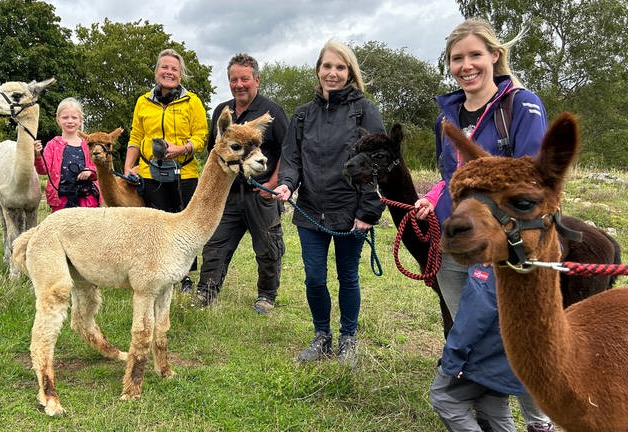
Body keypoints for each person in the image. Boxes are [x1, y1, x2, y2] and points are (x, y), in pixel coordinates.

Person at [413, 18, 555, 432]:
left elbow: (532, 177)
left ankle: (539, 421)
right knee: (472, 335)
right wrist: (434, 196)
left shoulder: (521, 106)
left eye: (475, 55)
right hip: (455, 242)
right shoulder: (450, 114)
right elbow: (451, 175)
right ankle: (494, 418)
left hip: (504, 248)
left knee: (515, 337)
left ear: (495, 56)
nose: (466, 65)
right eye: (457, 58)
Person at [273, 40, 386, 367]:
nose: (332, 73)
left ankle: (348, 338)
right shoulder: (303, 115)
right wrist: (286, 184)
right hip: (310, 211)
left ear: (349, 72)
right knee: (314, 278)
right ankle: (322, 337)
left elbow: (377, 161)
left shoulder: (364, 109)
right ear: (318, 70)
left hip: (351, 214)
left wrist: (367, 212)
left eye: (340, 67)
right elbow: (291, 158)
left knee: (348, 276)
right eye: (327, 66)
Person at [192, 53, 288, 314]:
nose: (239, 85)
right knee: (216, 243)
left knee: (268, 244)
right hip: (228, 193)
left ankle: (266, 296)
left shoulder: (273, 112)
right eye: (234, 80)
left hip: (261, 192)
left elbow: (289, 150)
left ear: (256, 80)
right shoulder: (222, 112)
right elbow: (217, 149)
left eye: (245, 79)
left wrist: (275, 181)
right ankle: (206, 292)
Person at [124, 48, 208, 291]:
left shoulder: (192, 102)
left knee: (184, 225)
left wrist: (181, 149)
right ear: (156, 72)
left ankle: (185, 276)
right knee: (156, 226)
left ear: (180, 75)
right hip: (151, 174)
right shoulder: (143, 101)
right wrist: (129, 165)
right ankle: (158, 271)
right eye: (165, 67)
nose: (169, 72)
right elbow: (136, 136)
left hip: (184, 173)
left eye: (174, 69)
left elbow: (201, 137)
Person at [430, 264, 526, 431]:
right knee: (493, 409)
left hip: (481, 358)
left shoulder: (486, 271)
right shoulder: (535, 265)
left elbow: (471, 319)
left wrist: (453, 359)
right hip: (509, 359)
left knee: (444, 399)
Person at [34, 97, 100, 212]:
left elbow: (98, 169)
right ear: (58, 120)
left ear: (81, 120)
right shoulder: (52, 145)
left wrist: (89, 171)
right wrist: (37, 155)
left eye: (74, 117)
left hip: (87, 199)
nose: (70, 121)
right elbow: (43, 170)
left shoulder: (88, 145)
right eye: (65, 117)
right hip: (62, 199)